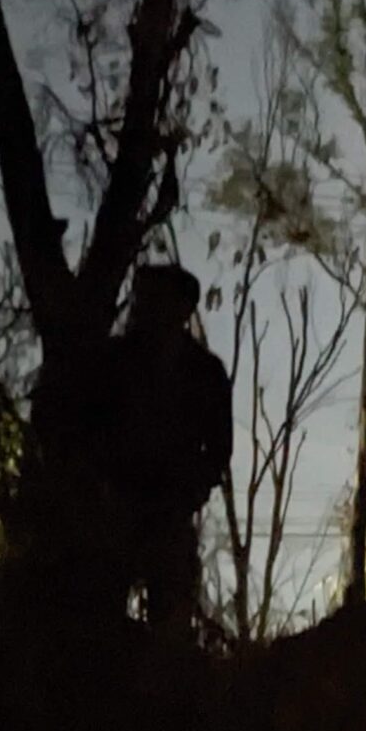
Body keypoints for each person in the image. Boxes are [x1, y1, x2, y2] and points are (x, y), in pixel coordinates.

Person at [86, 264, 233, 634]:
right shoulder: (115, 362)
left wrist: (191, 491)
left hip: (169, 508)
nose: (146, 308)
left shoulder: (204, 372)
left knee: (170, 621)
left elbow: (219, 447)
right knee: (101, 617)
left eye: (157, 300)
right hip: (118, 501)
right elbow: (90, 425)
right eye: (145, 299)